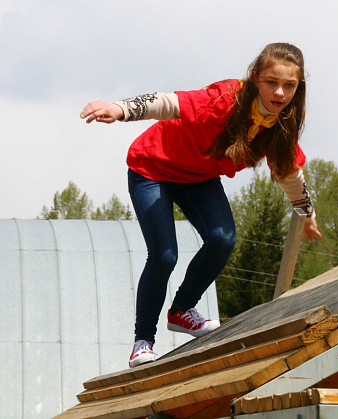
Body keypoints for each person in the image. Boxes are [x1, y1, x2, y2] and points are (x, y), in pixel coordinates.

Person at [80, 43, 322, 368]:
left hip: (198, 178)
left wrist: (307, 214)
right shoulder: (225, 98)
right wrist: (120, 109)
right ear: (255, 78)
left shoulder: (283, 126)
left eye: (289, 86)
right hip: (153, 168)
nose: (279, 93)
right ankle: (143, 341)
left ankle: (182, 311)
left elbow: (289, 173)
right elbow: (168, 103)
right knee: (164, 255)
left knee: (223, 239)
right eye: (271, 82)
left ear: (298, 87)